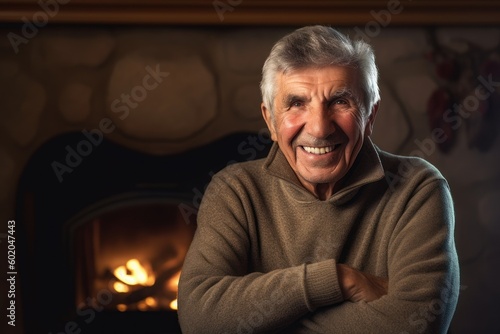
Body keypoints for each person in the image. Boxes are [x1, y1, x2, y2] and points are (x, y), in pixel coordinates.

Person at [177, 25, 460, 333]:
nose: (320, 128)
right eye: (297, 103)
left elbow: (417, 326)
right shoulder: (234, 191)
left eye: (340, 101)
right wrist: (339, 280)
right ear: (270, 121)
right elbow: (199, 321)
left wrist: (266, 321)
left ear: (370, 116)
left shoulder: (418, 188)